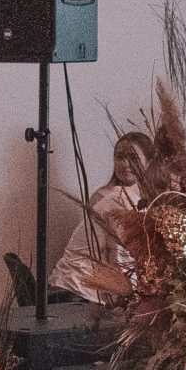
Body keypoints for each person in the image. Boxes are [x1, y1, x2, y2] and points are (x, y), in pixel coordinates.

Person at [50, 129, 156, 301]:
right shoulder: (115, 198)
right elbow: (117, 259)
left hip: (80, 289)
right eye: (119, 157)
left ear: (149, 163)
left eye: (133, 158)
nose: (125, 164)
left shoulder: (136, 198)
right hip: (77, 291)